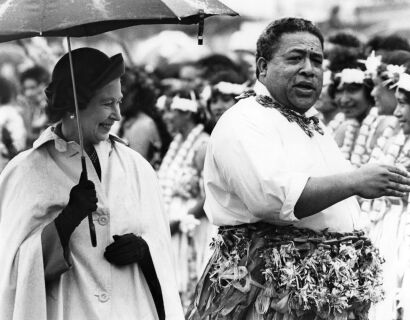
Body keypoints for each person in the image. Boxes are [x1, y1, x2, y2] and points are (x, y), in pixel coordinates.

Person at [187, 18, 410, 320]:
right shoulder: (245, 121)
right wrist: (356, 181)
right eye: (295, 58)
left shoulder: (308, 122)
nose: (309, 69)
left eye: (316, 60)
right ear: (262, 67)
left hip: (320, 296)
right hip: (270, 293)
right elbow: (272, 200)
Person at [0, 47, 184, 320]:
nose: (118, 115)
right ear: (75, 102)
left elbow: (164, 262)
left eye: (119, 102)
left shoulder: (137, 168)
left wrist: (144, 252)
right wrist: (65, 222)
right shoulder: (26, 172)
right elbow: (12, 274)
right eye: (107, 103)